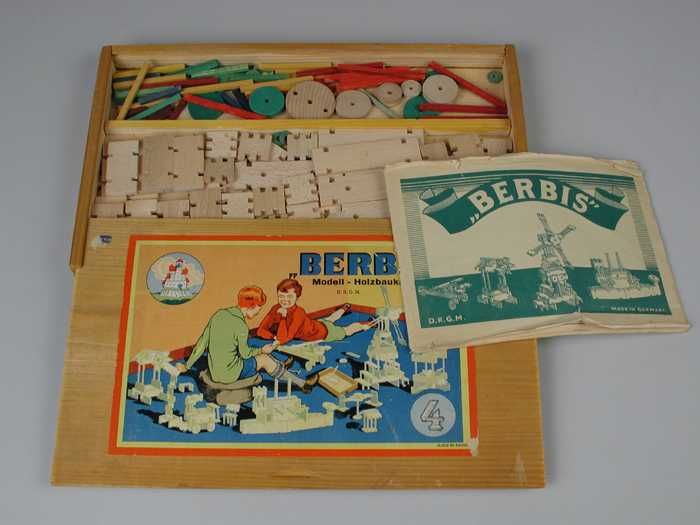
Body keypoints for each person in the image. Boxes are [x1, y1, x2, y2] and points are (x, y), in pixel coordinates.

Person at [177, 285, 317, 393]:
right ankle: (303, 384)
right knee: (264, 358)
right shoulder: (241, 326)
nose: (258, 312)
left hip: (215, 371)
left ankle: (280, 366)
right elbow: (245, 354)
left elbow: (201, 343)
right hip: (230, 375)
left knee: (258, 352)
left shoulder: (219, 315)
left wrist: (187, 366)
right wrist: (262, 350)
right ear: (251, 306)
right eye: (258, 308)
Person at [257, 278, 370, 345]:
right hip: (316, 323)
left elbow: (283, 339)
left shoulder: (299, 313)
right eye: (281, 296)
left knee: (347, 330)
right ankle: (344, 308)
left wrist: (283, 317)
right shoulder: (275, 308)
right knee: (330, 319)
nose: (285, 300)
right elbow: (260, 331)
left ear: (297, 297)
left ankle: (367, 324)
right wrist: (273, 337)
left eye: (289, 297)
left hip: (324, 332)